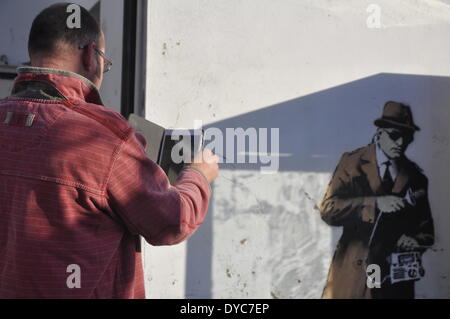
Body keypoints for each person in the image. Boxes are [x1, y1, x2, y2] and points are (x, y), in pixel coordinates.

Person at [0, 3, 219, 298]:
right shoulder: (103, 136)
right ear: (90, 55)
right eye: (105, 58)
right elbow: (170, 221)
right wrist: (198, 175)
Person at [320, 101, 434, 299]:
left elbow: (426, 231)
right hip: (353, 276)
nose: (401, 143)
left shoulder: (416, 177)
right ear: (380, 132)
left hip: (393, 284)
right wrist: (375, 203)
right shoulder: (352, 162)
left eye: (407, 137)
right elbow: (328, 210)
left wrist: (414, 240)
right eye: (394, 135)